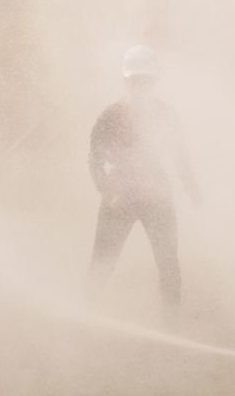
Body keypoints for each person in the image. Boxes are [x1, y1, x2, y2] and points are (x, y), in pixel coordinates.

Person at [86, 45, 201, 314]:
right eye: (136, 80)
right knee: (102, 263)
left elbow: (179, 155)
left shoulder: (166, 114)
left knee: (168, 265)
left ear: (154, 81)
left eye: (146, 80)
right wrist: (108, 192)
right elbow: (94, 161)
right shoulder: (109, 116)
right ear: (127, 81)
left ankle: (172, 333)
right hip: (120, 196)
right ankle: (83, 322)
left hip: (156, 195)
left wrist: (191, 187)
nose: (141, 85)